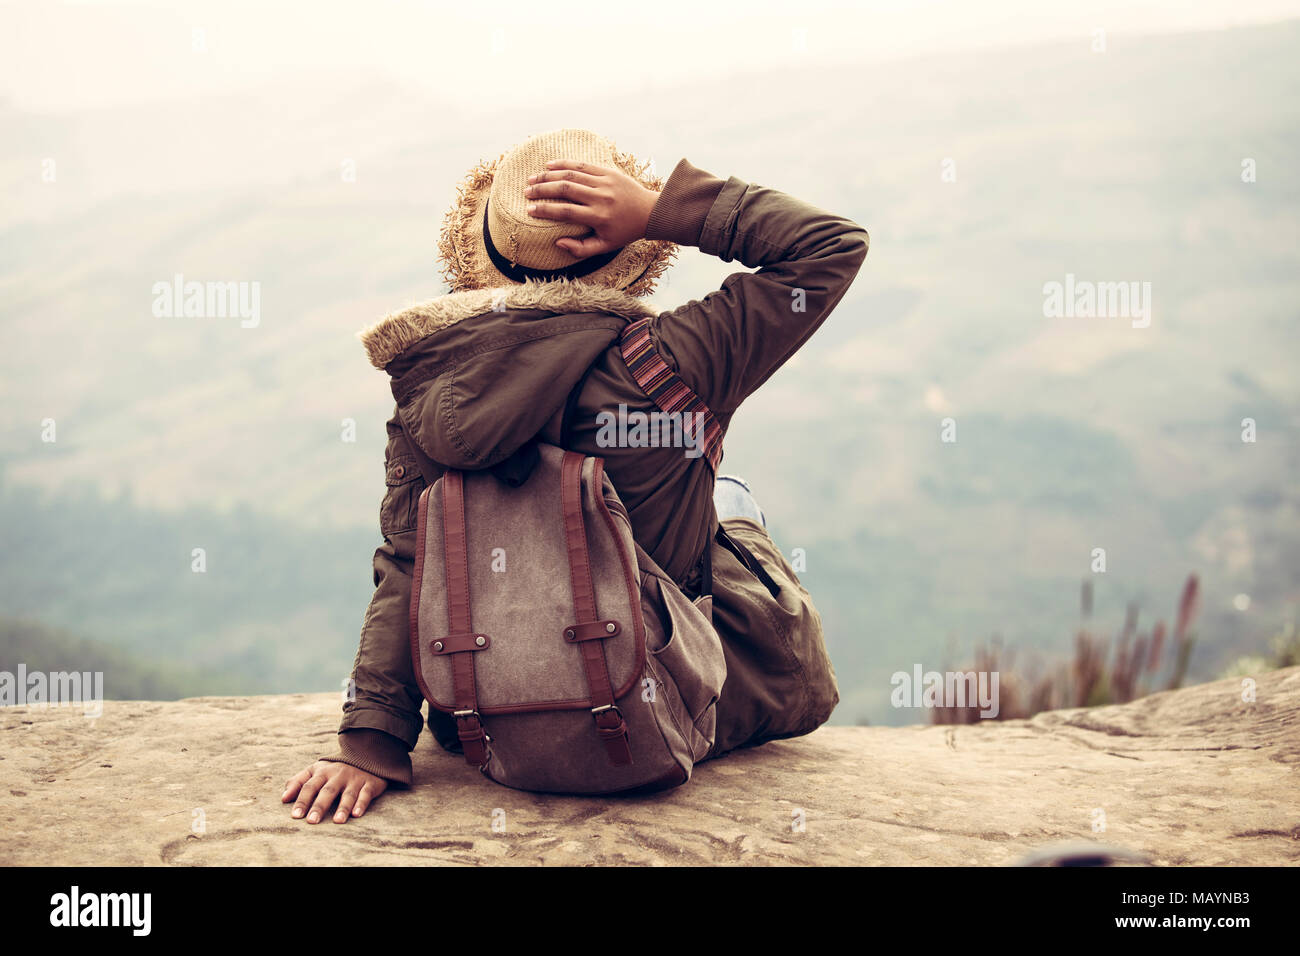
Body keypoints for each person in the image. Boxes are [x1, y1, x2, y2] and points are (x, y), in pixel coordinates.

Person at [283, 128, 868, 824]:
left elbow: (411, 562)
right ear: (625, 257)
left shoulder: (435, 392)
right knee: (730, 493)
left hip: (489, 718)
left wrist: (368, 741)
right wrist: (660, 207)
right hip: (663, 703)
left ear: (484, 263)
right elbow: (832, 246)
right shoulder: (679, 359)